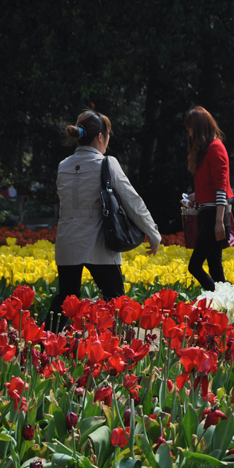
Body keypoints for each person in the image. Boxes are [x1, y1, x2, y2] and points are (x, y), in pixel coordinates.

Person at [45, 110, 161, 332]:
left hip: (68, 242)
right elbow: (132, 201)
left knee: (66, 299)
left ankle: (43, 344)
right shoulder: (107, 163)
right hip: (99, 242)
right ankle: (121, 351)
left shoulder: (64, 165)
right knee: (116, 301)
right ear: (100, 137)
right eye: (107, 136)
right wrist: (153, 233)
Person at [183, 106, 234, 292]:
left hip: (215, 215)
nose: (189, 133)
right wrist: (193, 197)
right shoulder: (207, 150)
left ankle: (221, 297)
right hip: (209, 213)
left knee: (194, 266)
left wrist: (219, 222)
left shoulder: (215, 148)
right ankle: (224, 304)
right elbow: (211, 187)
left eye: (191, 128)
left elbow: (221, 187)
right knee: (215, 269)